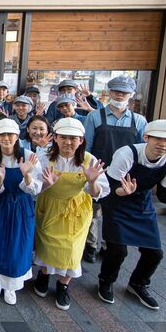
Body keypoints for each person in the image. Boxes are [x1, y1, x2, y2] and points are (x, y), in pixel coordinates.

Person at [97, 120, 166, 309]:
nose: (162, 144)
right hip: (116, 202)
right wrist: (123, 191)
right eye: (157, 138)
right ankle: (105, 281)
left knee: (155, 253)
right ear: (146, 137)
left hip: (142, 204)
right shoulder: (127, 153)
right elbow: (110, 186)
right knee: (117, 250)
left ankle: (138, 284)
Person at [32, 118, 109, 311]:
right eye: (64, 137)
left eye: (73, 138)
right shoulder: (44, 157)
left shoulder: (89, 160)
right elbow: (33, 187)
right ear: (55, 138)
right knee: (47, 244)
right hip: (49, 206)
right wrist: (46, 183)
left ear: (81, 140)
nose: (68, 142)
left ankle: (63, 285)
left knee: (72, 248)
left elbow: (99, 193)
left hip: (77, 209)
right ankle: (43, 274)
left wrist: (92, 181)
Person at [82, 75, 148, 263]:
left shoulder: (139, 121)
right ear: (109, 92)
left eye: (124, 93)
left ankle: (108, 244)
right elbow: (87, 146)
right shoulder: (94, 116)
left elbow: (141, 151)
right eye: (117, 91)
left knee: (116, 213)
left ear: (131, 95)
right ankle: (91, 244)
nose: (120, 95)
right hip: (98, 171)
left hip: (123, 176)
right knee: (93, 211)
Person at [0, 119, 41, 305]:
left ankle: (11, 285)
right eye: (2, 134)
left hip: (22, 208)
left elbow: (36, 189)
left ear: (17, 136)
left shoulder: (29, 156)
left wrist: (27, 175)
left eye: (10, 134)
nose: (6, 138)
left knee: (18, 245)